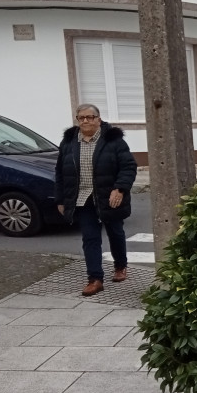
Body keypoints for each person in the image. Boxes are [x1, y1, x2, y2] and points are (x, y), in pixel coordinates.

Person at [55, 104, 137, 296]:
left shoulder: (113, 140)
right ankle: (95, 279)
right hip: (82, 198)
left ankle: (120, 266)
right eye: (81, 117)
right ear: (77, 120)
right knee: (90, 238)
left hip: (109, 197)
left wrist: (120, 189)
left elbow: (128, 167)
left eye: (90, 117)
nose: (85, 121)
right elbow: (60, 173)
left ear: (98, 120)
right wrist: (61, 199)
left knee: (115, 232)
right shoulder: (68, 143)